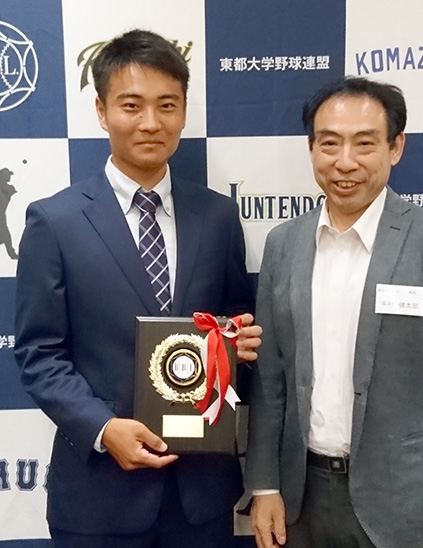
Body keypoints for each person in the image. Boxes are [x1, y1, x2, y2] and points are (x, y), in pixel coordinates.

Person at [14, 29, 261, 548]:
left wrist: (238, 345)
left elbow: (234, 315)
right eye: (132, 105)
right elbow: (39, 353)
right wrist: (104, 430)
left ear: (184, 111)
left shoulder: (217, 216)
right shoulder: (54, 222)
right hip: (99, 496)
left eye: (167, 105)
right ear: (102, 111)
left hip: (201, 497)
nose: (151, 122)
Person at [244, 76, 423, 548]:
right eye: (329, 143)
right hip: (302, 502)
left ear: (395, 147)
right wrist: (265, 485)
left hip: (406, 505)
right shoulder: (283, 244)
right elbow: (270, 382)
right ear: (311, 148)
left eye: (365, 144)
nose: (345, 162)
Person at [0, 167, 18, 260]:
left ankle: (12, 254)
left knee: (6, 236)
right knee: (6, 236)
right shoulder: (7, 187)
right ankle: (12, 254)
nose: (10, 177)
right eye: (8, 175)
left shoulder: (9, 188)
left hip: (1, 216)